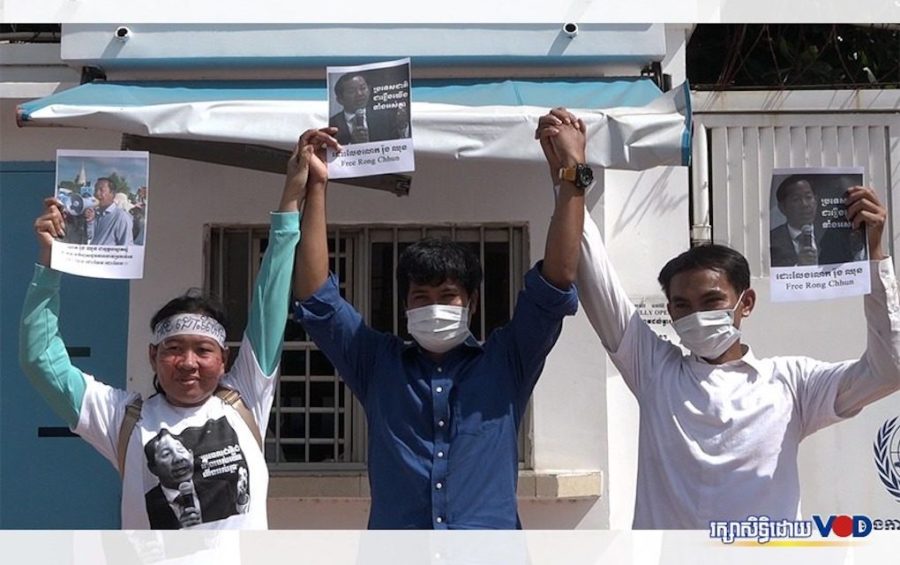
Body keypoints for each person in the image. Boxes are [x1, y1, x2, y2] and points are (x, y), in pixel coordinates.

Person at [537, 108, 900, 529]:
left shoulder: (793, 383)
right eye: (682, 306)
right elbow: (592, 270)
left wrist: (875, 255)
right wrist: (569, 176)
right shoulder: (654, 369)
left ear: (746, 303)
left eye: (711, 301)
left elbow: (889, 369)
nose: (695, 315)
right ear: (669, 311)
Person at [291, 118, 586, 529]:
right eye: (421, 297)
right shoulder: (377, 364)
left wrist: (573, 173)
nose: (434, 306)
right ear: (405, 306)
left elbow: (557, 280)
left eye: (447, 296)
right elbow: (316, 298)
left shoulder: (508, 362)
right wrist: (317, 188)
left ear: (472, 303)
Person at [19, 135, 313, 529]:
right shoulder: (122, 418)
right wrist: (49, 263)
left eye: (203, 351)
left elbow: (270, 302)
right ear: (152, 357)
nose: (188, 363)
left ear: (223, 359)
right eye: (173, 348)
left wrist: (292, 195)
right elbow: (40, 358)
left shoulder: (245, 397)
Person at [770, 174, 864, 266]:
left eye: (808, 197)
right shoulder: (772, 240)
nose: (805, 204)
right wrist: (799, 266)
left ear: (816, 201)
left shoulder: (832, 235)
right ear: (782, 207)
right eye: (796, 199)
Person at [328, 73, 404, 145]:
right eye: (351, 91)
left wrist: (402, 126)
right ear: (340, 100)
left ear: (369, 91)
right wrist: (352, 145)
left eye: (363, 88)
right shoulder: (332, 125)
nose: (359, 94)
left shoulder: (386, 118)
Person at [86, 177, 134, 246]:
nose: (97, 194)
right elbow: (91, 237)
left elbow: (126, 246)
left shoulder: (121, 217)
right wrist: (90, 221)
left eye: (101, 190)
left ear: (112, 194)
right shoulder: (96, 213)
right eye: (95, 190)